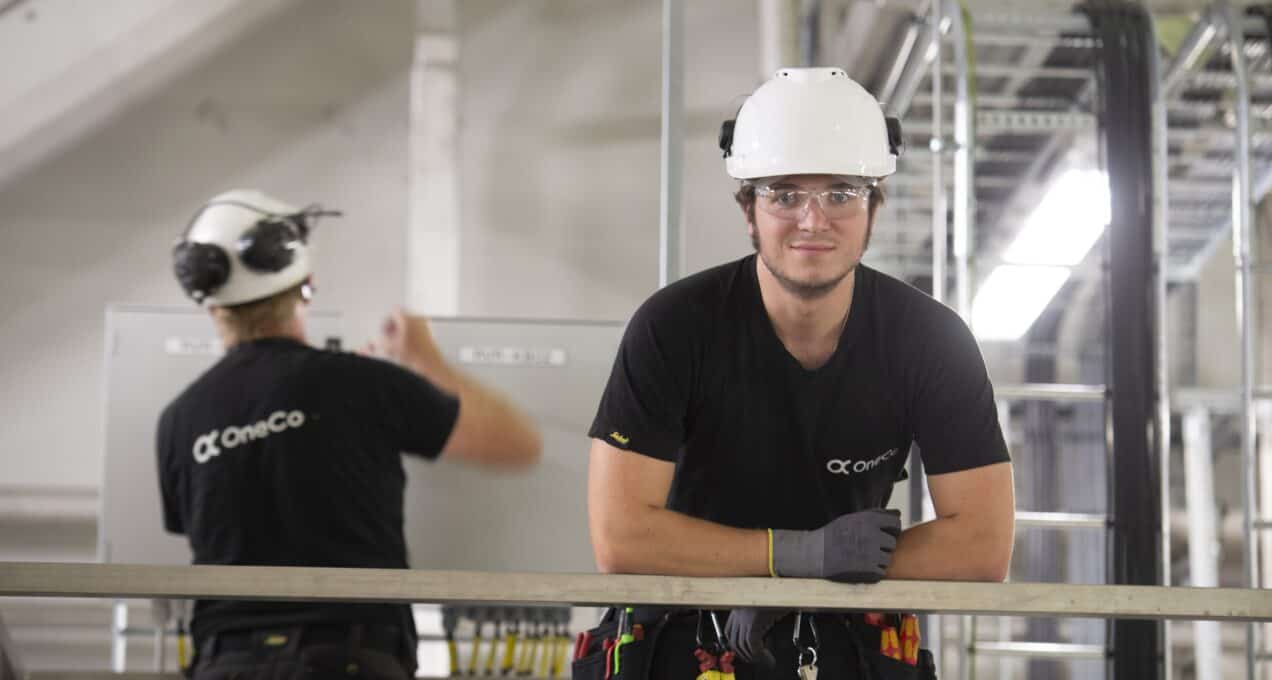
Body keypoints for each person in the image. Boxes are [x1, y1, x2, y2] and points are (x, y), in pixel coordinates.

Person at [585, 68, 1014, 678]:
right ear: (749, 210)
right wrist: (796, 556)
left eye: (841, 192)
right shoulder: (675, 327)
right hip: (682, 635)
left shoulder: (931, 341)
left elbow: (983, 546)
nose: (813, 221)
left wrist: (821, 574)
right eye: (785, 194)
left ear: (873, 207)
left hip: (848, 635)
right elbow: (621, 538)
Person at [158, 189, 542, 679]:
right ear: (305, 287)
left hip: (223, 662)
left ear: (209, 304)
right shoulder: (359, 384)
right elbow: (516, 442)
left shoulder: (179, 419)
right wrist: (425, 358)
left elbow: (197, 528)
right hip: (348, 658)